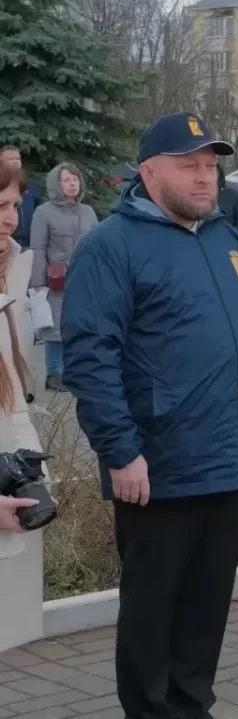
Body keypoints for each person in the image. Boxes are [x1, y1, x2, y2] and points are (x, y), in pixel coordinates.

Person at [61, 111, 238, 719]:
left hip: (229, 460)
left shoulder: (226, 240)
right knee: (152, 609)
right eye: (189, 167)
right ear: (149, 171)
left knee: (206, 607)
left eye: (211, 166)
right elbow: (90, 357)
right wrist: (120, 450)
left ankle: (193, 705)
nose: (205, 179)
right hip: (156, 467)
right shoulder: (112, 246)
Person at [0, 166, 44, 653]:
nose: (11, 219)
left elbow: (14, 384)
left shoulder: (12, 266)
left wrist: (27, 461)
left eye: (15, 206)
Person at [29, 164, 97, 393]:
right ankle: (54, 375)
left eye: (75, 179)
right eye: (66, 179)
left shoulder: (87, 211)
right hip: (56, 278)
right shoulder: (44, 212)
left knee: (78, 326)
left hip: (84, 277)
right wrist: (38, 283)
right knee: (56, 328)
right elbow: (38, 248)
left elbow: (98, 245)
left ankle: (74, 373)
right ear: (56, 184)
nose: (72, 183)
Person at [0, 146, 40, 250]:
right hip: (6, 241)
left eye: (18, 159)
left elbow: (38, 211)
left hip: (29, 244)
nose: (15, 162)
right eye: (11, 159)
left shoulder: (31, 186)